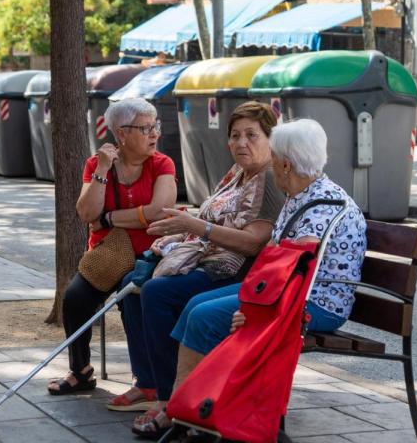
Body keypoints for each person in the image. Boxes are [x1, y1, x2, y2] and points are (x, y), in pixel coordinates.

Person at [136, 119, 367, 437]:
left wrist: (251, 309)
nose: (271, 165)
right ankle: (190, 409)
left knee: (204, 316)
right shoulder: (301, 195)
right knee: (194, 306)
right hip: (288, 291)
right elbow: (275, 261)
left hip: (315, 302)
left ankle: (187, 413)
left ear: (285, 164)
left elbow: (295, 274)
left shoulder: (322, 208)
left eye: (273, 158)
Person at [112, 103, 284, 432]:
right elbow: (209, 216)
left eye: (252, 135)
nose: (241, 143)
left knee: (157, 292)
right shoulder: (236, 174)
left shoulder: (271, 179)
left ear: (270, 138)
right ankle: (148, 381)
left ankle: (168, 398)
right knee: (130, 284)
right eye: (235, 136)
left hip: (236, 271)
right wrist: (181, 225)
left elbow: (252, 242)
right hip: (205, 257)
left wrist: (195, 226)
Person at [47, 98, 177, 396]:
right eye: (146, 128)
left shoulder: (161, 163)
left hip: (151, 254)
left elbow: (160, 210)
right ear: (121, 133)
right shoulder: (97, 164)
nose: (155, 133)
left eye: (155, 126)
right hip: (109, 255)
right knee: (76, 298)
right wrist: (103, 169)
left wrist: (110, 218)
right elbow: (85, 213)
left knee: (135, 297)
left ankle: (143, 376)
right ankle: (80, 371)